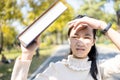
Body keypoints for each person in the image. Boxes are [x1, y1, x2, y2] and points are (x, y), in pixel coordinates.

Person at [11, 15, 120, 80]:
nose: (80, 42)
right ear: (69, 40)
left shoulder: (100, 68)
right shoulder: (56, 69)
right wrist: (26, 55)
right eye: (75, 36)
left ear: (93, 42)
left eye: (87, 37)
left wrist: (102, 25)